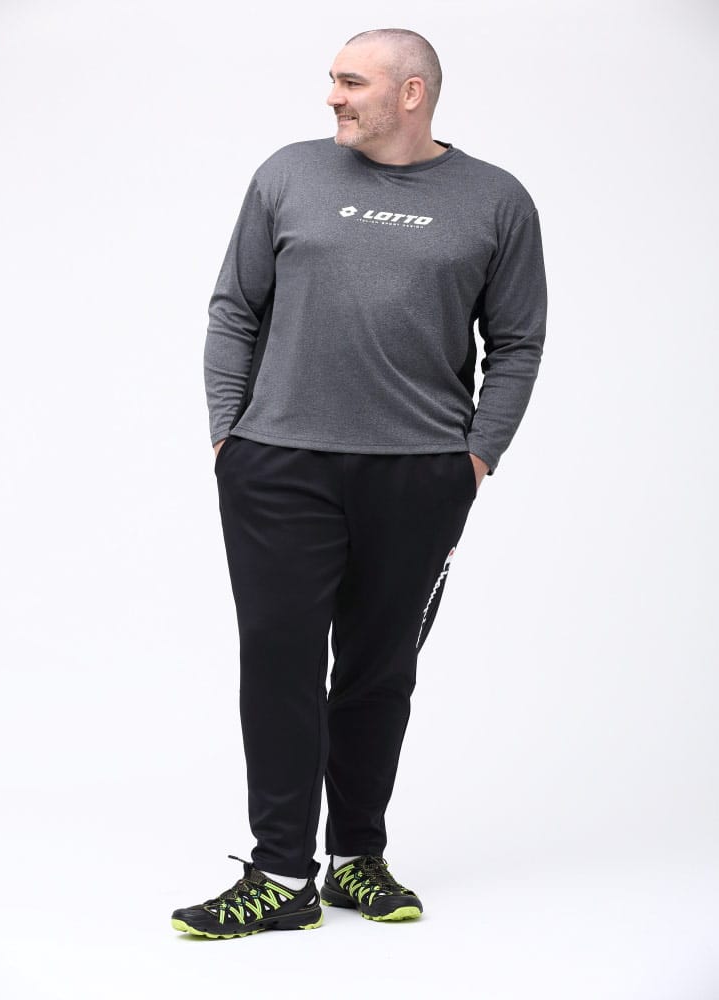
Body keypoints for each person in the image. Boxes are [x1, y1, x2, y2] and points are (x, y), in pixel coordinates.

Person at [171, 27, 547, 940]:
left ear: (411, 93)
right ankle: (280, 873)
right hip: (278, 466)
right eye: (333, 81)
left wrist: (476, 455)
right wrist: (228, 435)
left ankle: (356, 859)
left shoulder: (496, 200)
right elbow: (234, 308)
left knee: (380, 671)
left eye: (351, 82)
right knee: (280, 665)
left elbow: (518, 341)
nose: (333, 97)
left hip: (419, 475)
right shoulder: (288, 175)